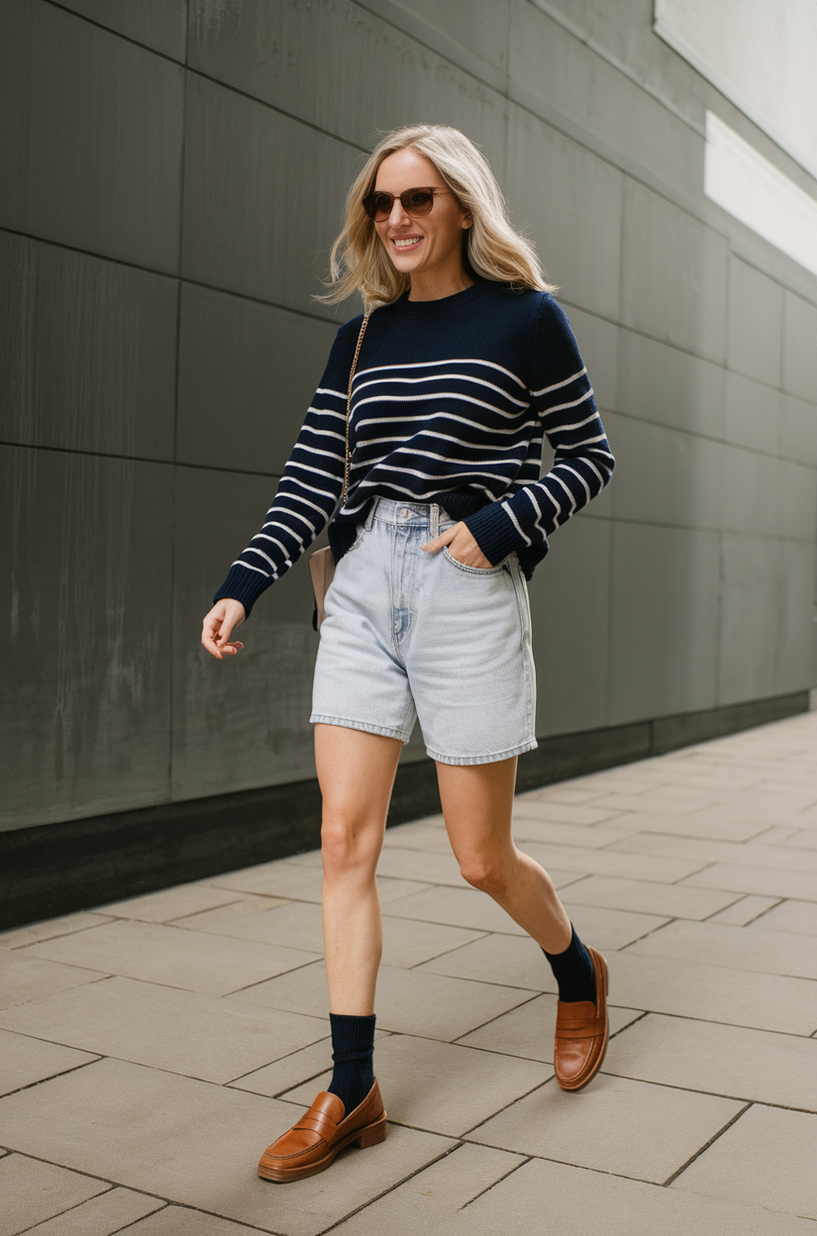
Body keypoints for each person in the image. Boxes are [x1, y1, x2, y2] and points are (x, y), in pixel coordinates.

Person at [201, 123, 615, 1183]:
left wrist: (501, 523)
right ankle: (351, 1087)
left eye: (416, 199)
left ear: (461, 208)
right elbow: (308, 477)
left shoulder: (527, 320)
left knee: (480, 858)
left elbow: (589, 456)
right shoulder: (358, 341)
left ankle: (574, 972)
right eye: (381, 203)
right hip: (363, 582)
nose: (394, 220)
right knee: (345, 842)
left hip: (467, 580)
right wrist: (241, 584)